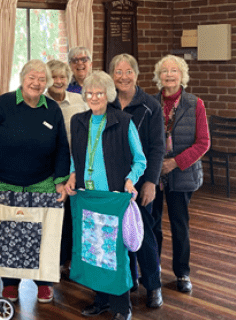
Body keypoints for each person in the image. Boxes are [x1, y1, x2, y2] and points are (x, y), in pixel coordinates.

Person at [0, 59, 71, 304]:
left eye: (42, 79)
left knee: (45, 234)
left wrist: (60, 180)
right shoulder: (3, 104)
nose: (36, 83)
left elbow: (61, 147)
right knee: (8, 235)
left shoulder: (52, 109)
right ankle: (10, 284)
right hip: (4, 182)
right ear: (22, 78)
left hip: (42, 182)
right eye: (32, 78)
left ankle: (43, 283)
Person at [64, 71, 147, 320]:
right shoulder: (78, 121)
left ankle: (122, 306)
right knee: (94, 251)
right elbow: (74, 157)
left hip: (113, 198)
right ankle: (100, 300)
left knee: (115, 254)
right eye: (89, 92)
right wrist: (71, 175)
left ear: (108, 94)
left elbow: (140, 159)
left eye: (99, 92)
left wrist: (131, 180)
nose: (94, 97)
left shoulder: (123, 121)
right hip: (89, 198)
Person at [109, 54, 165, 309]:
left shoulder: (150, 105)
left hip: (140, 182)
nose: (123, 76)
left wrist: (151, 182)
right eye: (118, 72)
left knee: (143, 235)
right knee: (118, 235)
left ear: (137, 74)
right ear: (111, 75)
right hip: (110, 183)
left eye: (128, 71)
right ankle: (129, 279)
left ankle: (153, 285)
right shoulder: (106, 102)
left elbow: (157, 148)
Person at [151, 54, 210, 294]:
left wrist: (175, 162)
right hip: (154, 176)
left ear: (182, 74)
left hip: (182, 173)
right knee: (153, 224)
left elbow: (203, 142)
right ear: (158, 76)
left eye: (174, 70)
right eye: (164, 71)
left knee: (180, 225)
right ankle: (152, 268)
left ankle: (182, 273)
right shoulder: (151, 103)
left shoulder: (195, 103)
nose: (169, 75)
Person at [45, 59, 88, 273]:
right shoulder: (41, 102)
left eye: (62, 77)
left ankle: (74, 259)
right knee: (56, 216)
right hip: (51, 168)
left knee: (76, 215)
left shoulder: (80, 100)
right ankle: (57, 260)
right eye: (54, 77)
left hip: (80, 166)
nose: (59, 81)